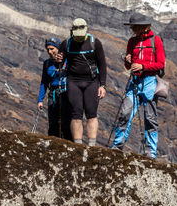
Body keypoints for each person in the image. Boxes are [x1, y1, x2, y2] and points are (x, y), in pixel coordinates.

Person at [111, 13, 165, 157]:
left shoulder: (156, 41)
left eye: (134, 27)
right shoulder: (132, 41)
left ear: (143, 27)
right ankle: (117, 146)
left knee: (150, 118)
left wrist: (142, 66)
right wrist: (128, 61)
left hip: (150, 82)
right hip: (135, 82)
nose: (132, 29)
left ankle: (150, 152)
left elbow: (160, 64)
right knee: (125, 112)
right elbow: (128, 67)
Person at [59, 18, 106, 146]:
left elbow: (102, 65)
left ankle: (92, 145)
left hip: (92, 82)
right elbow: (60, 64)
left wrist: (102, 85)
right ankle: (78, 145)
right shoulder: (66, 44)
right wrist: (59, 60)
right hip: (73, 82)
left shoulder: (95, 43)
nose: (79, 39)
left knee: (91, 113)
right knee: (76, 113)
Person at [37, 37, 71, 140]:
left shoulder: (67, 61)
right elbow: (44, 82)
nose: (50, 52)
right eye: (48, 49)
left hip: (66, 93)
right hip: (53, 94)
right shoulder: (47, 63)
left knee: (66, 121)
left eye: (52, 49)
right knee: (53, 122)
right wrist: (40, 100)